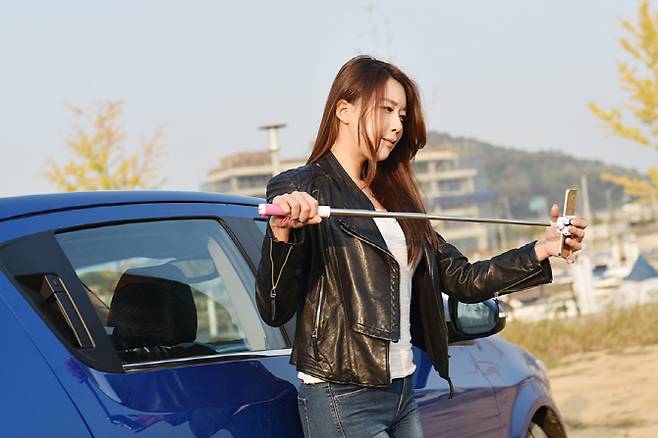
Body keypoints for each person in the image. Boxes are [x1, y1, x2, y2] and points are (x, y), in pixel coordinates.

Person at [255, 55, 586, 438]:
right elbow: (275, 309)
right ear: (344, 110)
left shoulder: (394, 197)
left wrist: (541, 250)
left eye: (402, 114)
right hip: (341, 393)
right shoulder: (300, 188)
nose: (398, 125)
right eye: (386, 110)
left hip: (402, 390)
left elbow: (463, 279)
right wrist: (282, 235)